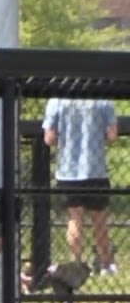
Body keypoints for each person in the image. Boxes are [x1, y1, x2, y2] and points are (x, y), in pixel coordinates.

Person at [43, 97, 119, 274]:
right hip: (96, 169)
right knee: (99, 220)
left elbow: (49, 137)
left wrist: (66, 141)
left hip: (68, 171)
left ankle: (76, 263)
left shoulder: (57, 101)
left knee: (74, 219)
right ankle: (106, 263)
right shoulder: (103, 101)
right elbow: (112, 135)